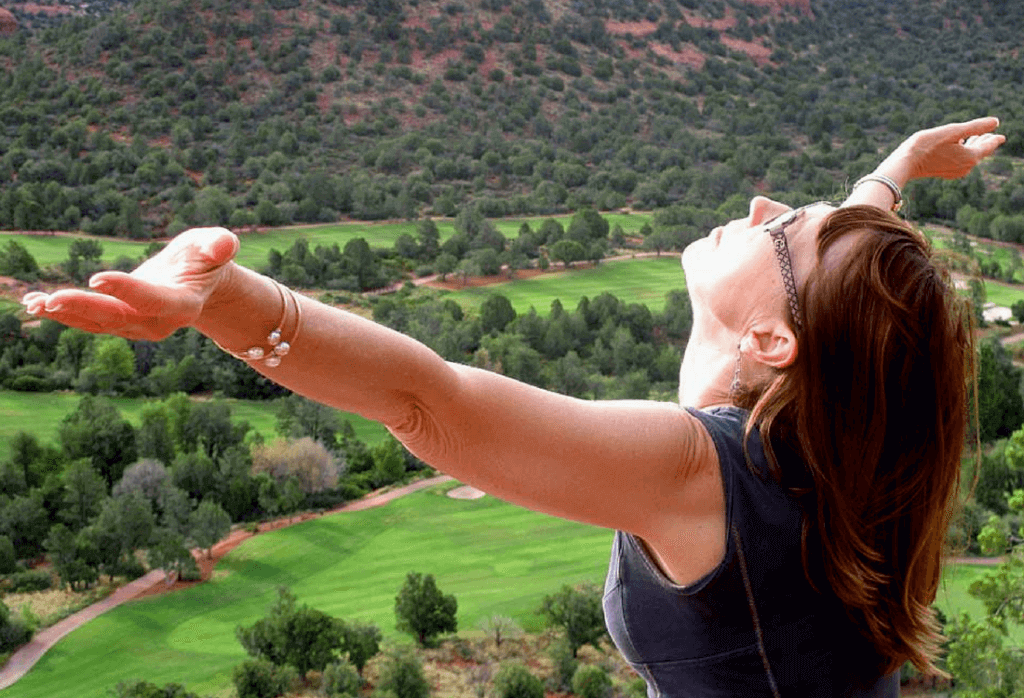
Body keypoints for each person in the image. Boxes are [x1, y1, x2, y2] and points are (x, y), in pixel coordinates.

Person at [23, 117, 1005, 697]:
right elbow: (842, 283)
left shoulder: (694, 468)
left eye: (784, 225)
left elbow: (427, 399)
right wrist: (893, 172)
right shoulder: (852, 435)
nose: (760, 205)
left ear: (773, 345)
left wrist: (224, 302)